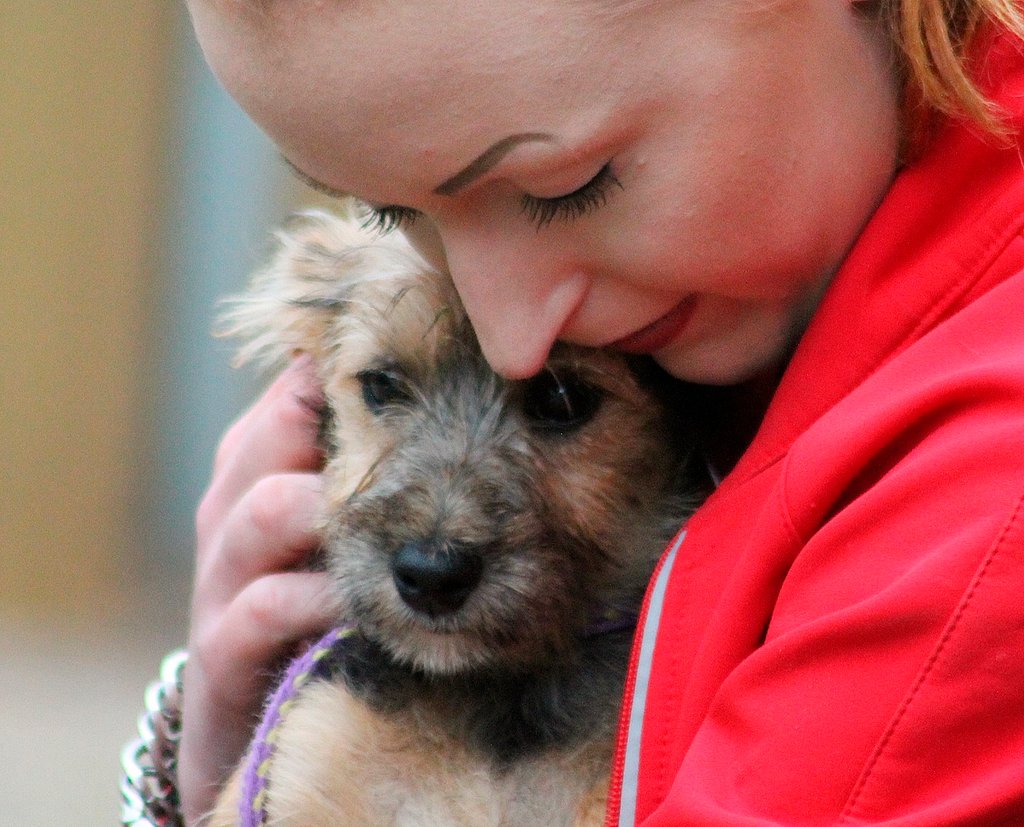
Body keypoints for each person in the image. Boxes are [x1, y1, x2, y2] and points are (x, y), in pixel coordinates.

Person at [122, 0, 1024, 824]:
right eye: (395, 213)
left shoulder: (986, 497)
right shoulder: (745, 308)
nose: (507, 326)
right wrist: (199, 769)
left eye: (568, 185)